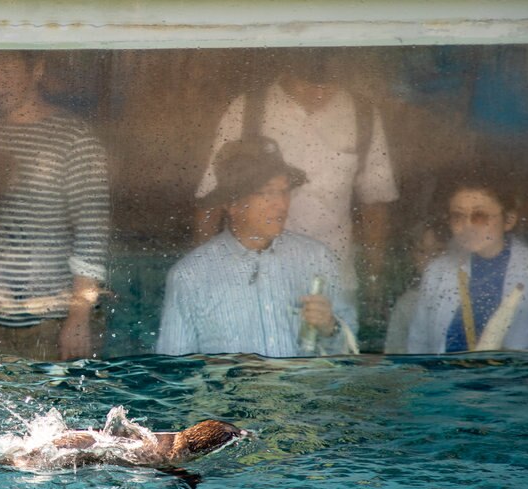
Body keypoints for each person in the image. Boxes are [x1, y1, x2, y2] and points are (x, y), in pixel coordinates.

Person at [193, 51, 399, 303]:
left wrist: (374, 277)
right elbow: (212, 196)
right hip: (255, 275)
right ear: (287, 72)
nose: (319, 94)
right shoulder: (248, 110)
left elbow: (375, 200)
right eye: (308, 86)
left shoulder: (362, 113)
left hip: (331, 274)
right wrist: (203, 268)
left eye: (329, 86)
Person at [0, 51, 110, 361]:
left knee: (59, 408)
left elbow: (93, 234)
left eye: (7, 71)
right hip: (0, 315)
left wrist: (78, 319)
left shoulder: (74, 137)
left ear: (37, 70)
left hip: (57, 320)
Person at [156, 137, 357, 357]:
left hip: (305, 390)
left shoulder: (317, 259)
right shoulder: (190, 276)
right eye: (267, 193)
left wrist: (330, 328)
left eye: (284, 191)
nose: (281, 204)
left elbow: (351, 353)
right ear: (232, 203)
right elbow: (174, 370)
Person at [407, 169, 528, 353]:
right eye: (458, 216)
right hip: (444, 379)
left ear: (509, 220)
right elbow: (417, 344)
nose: (467, 226)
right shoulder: (437, 272)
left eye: (479, 216)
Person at [0, 406, 248, 472]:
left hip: (86, 438)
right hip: (89, 446)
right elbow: (165, 466)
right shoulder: (173, 454)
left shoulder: (171, 437)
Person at [383, 220, 448, 353]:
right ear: (412, 255)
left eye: (439, 250)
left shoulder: (469, 293)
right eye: (422, 251)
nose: (430, 258)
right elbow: (394, 355)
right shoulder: (406, 304)